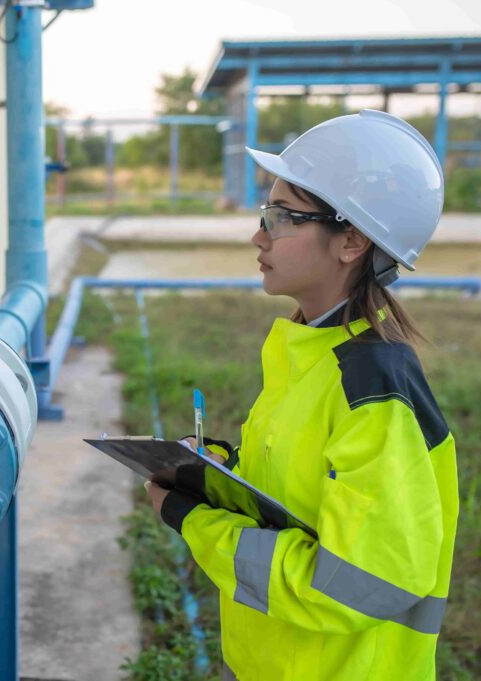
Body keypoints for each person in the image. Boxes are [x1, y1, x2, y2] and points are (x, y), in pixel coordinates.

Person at [144, 110, 458, 681]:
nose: (258, 236)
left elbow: (354, 586)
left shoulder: (374, 391)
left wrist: (194, 520)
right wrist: (218, 474)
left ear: (352, 241)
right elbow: (296, 497)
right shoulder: (310, 351)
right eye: (265, 214)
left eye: (283, 217)